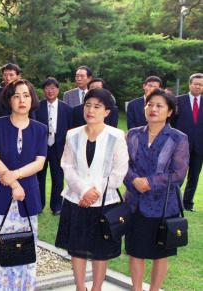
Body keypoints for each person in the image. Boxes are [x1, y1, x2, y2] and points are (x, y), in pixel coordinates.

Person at [0, 79, 47, 290]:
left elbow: (39, 163)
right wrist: (15, 184)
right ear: (9, 100)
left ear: (32, 99)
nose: (21, 100)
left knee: (22, 248)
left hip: (28, 198)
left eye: (26, 95)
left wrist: (14, 176)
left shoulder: (40, 129)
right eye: (16, 95)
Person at [55, 88, 129, 291]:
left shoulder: (116, 136)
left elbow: (119, 171)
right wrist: (83, 191)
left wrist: (95, 192)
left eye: (97, 106)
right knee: (76, 248)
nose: (91, 110)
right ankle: (80, 287)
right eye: (88, 105)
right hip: (76, 200)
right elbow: (67, 166)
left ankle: (96, 288)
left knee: (100, 250)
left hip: (105, 202)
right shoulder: (73, 134)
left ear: (107, 111)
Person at [124, 88, 189, 291]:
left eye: (159, 106)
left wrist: (150, 182)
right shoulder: (133, 134)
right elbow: (122, 165)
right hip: (135, 203)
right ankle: (136, 288)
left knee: (161, 254)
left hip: (163, 207)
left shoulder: (178, 138)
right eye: (149, 104)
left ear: (170, 112)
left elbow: (178, 174)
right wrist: (134, 180)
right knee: (136, 251)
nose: (153, 109)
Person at [35, 77, 72, 215]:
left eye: (53, 88)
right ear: (43, 90)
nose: (50, 91)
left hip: (59, 147)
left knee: (58, 178)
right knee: (39, 178)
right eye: (47, 88)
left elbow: (70, 130)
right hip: (41, 148)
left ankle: (57, 207)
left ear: (58, 89)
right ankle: (39, 205)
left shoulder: (67, 109)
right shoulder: (37, 107)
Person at [172, 73, 203, 212]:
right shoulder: (178, 101)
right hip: (181, 146)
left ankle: (188, 204)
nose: (198, 86)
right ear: (190, 84)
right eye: (195, 84)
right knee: (178, 175)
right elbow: (171, 124)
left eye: (201, 84)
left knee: (194, 176)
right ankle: (172, 201)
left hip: (200, 147)